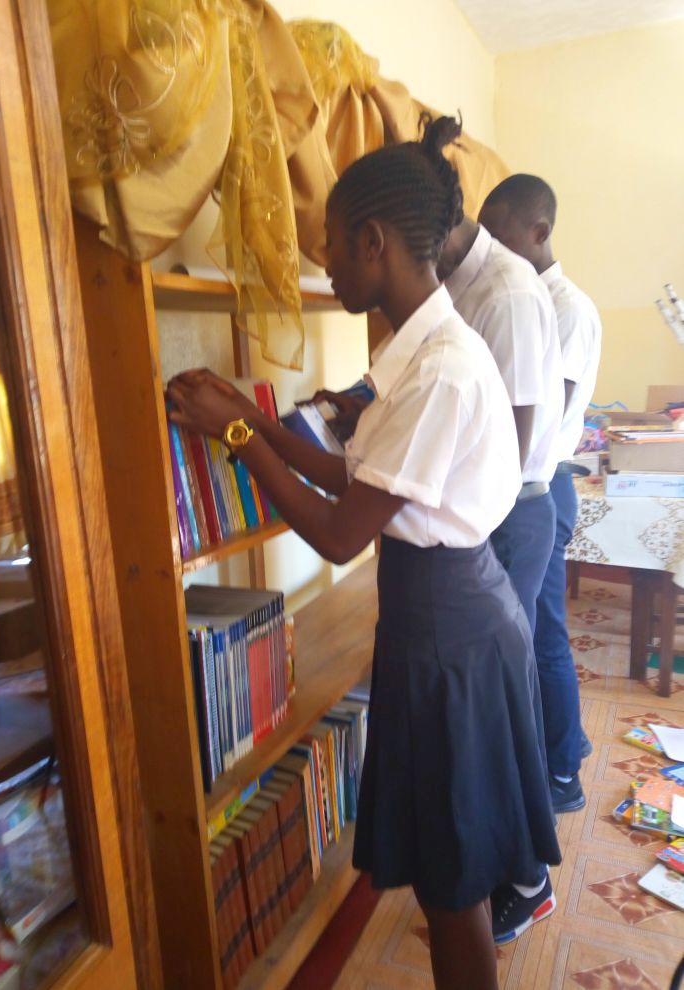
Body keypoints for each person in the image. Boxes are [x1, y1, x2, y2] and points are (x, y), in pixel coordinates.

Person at [168, 115, 560, 987]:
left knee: (453, 884)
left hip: (448, 634)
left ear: (375, 243)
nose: (326, 264)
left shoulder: (441, 372)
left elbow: (342, 532)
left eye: (332, 247)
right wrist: (258, 419)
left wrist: (236, 433)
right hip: (444, 616)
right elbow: (356, 474)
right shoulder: (414, 355)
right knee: (441, 868)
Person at [479, 174, 602, 813]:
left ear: (539, 232)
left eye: (499, 236)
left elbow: (541, 414)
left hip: (541, 484)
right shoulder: (522, 294)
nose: (492, 251)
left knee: (544, 636)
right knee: (536, 632)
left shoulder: (565, 308)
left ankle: (562, 776)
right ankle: (562, 755)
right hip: (529, 483)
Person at [435, 119, 565, 640]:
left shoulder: (506, 292)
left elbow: (512, 440)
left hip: (508, 511)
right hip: (492, 506)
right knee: (500, 658)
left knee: (507, 659)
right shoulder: (464, 285)